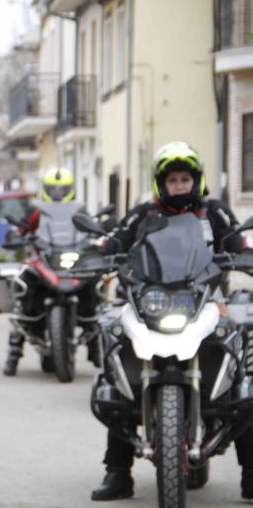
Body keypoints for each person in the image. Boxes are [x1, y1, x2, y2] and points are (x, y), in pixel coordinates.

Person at [92, 141, 253, 501]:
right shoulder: (143, 214)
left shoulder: (214, 212)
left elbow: (236, 240)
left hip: (206, 300)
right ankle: (117, 473)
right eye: (173, 180)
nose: (179, 186)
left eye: (185, 179)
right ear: (161, 183)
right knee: (119, 373)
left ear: (196, 181)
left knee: (240, 379)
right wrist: (99, 253)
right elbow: (117, 240)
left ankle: (251, 474)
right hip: (149, 299)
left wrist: (244, 253)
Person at [2, 166, 90, 376]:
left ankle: (97, 343)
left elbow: (89, 227)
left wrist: (98, 235)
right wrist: (18, 234)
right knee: (23, 292)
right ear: (46, 189)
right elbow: (22, 227)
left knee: (94, 284)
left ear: (70, 189)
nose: (58, 193)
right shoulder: (37, 209)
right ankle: (14, 351)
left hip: (72, 258)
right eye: (54, 189)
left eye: (62, 189)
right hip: (44, 258)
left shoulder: (79, 209)